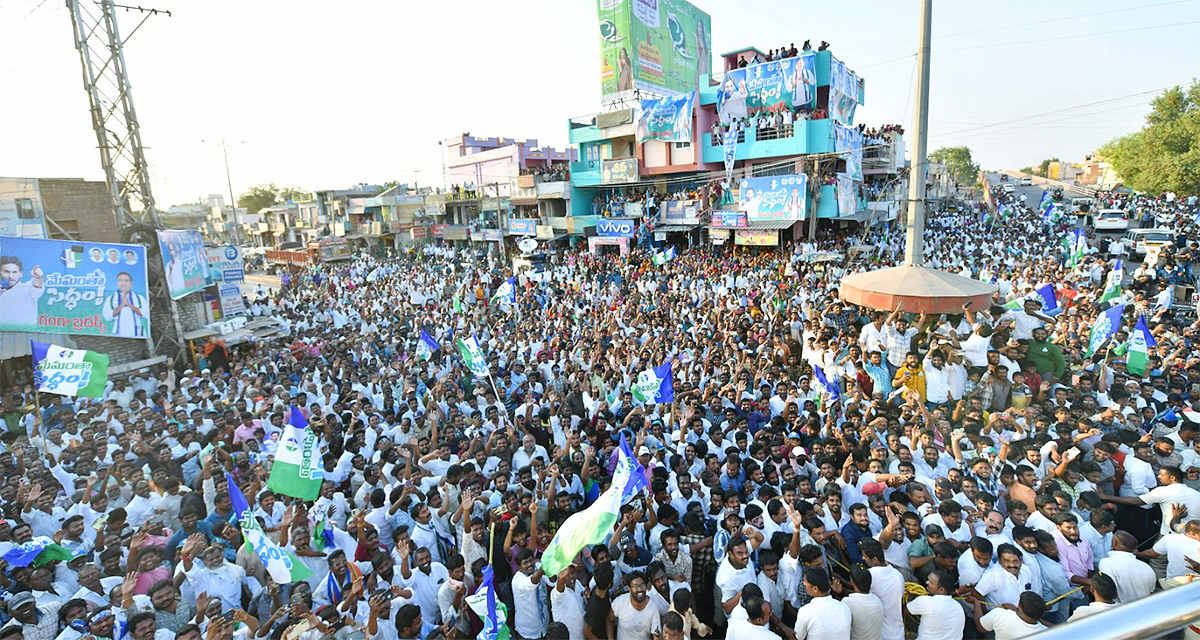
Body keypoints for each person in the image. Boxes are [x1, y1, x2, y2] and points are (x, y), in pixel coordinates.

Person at [904, 570, 965, 640]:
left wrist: (909, 599)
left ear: (941, 590)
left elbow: (902, 613)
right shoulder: (958, 606)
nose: (927, 582)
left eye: (931, 582)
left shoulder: (926, 601)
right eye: (928, 580)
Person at [793, 567, 851, 640]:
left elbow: (799, 636)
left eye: (805, 582)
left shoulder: (805, 612)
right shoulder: (844, 607)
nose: (804, 584)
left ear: (815, 589)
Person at [974, 590, 1048, 640]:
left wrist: (976, 602)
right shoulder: (1046, 634)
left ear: (1019, 604)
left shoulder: (1000, 615)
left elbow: (980, 627)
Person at [0, 255, 44, 329]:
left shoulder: (27, 288)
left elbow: (36, 285)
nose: (11, 276)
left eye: (14, 272)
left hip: (25, 333)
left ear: (20, 274)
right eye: (6, 272)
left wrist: (37, 277)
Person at [102, 271, 149, 338]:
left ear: (131, 283)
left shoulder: (139, 298)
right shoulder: (110, 299)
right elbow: (107, 316)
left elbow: (145, 314)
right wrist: (122, 305)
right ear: (117, 283)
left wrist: (128, 304)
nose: (123, 283)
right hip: (118, 334)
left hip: (138, 333)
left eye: (126, 280)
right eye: (120, 280)